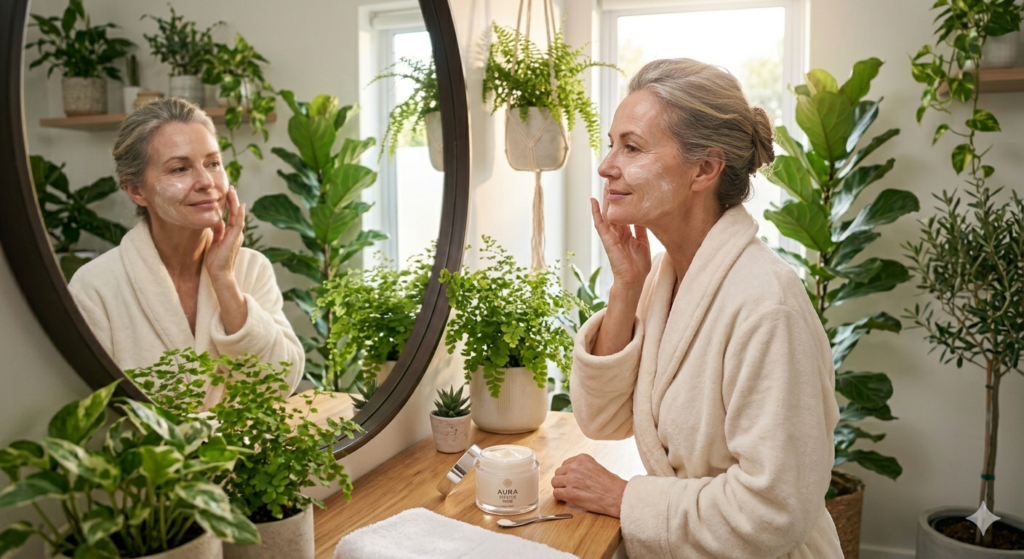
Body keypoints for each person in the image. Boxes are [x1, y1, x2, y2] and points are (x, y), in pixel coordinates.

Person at [550, 59, 844, 558]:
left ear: (704, 169)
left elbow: (774, 511)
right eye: (612, 143)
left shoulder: (766, 304)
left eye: (632, 147)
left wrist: (626, 499)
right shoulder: (667, 279)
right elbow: (601, 419)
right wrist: (626, 286)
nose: (606, 166)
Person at [69, 97, 303, 408]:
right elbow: (92, 408)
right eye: (180, 168)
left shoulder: (250, 269)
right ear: (137, 191)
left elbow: (279, 385)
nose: (206, 182)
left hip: (248, 453)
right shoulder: (95, 287)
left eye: (213, 163)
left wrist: (224, 280)